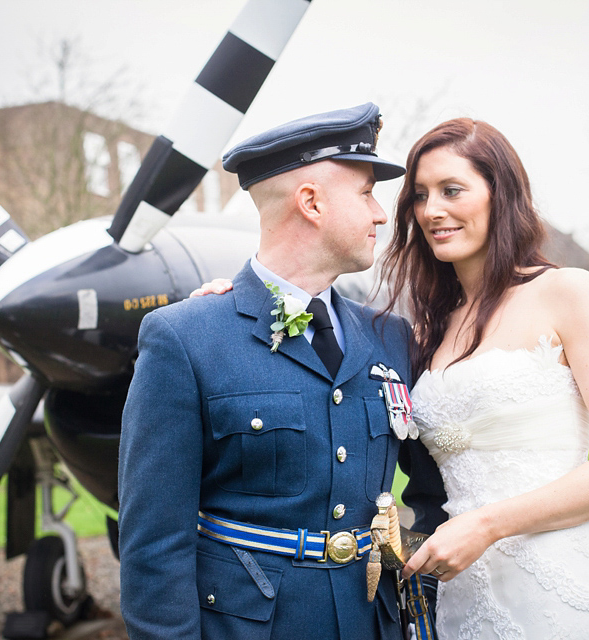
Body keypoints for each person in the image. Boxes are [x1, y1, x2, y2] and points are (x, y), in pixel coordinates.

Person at [118, 103, 447, 640]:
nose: (381, 214)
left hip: (374, 623)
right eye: (365, 192)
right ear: (311, 203)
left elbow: (438, 493)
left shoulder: (391, 336)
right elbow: (155, 542)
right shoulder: (185, 338)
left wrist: (420, 588)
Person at [376, 118, 589, 639]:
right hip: (465, 595)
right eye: (419, 196)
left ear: (500, 194)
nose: (431, 210)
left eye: (452, 190)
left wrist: (487, 525)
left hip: (561, 581)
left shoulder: (569, 292)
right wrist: (230, 305)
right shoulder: (428, 330)